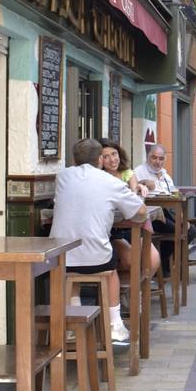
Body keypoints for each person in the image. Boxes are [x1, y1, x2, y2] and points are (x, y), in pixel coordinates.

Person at [51, 138, 148, 343]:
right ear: (100, 160)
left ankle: (73, 321)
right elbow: (140, 213)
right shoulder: (110, 182)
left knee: (71, 271)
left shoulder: (62, 177)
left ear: (74, 159)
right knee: (110, 270)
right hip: (96, 261)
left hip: (58, 258)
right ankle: (115, 325)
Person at [99, 138, 160, 279]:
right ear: (100, 160)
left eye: (114, 154)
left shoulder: (127, 173)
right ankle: (120, 290)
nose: (112, 160)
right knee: (129, 260)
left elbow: (134, 196)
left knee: (154, 258)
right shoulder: (99, 178)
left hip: (132, 228)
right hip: (112, 231)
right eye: (106, 156)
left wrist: (138, 187)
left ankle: (134, 293)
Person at [133, 143, 196, 273]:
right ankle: (162, 265)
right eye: (154, 158)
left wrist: (182, 219)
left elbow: (174, 196)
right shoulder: (138, 171)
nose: (157, 162)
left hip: (168, 213)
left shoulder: (165, 175)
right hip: (150, 217)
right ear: (148, 157)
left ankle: (163, 263)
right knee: (178, 231)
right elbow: (132, 189)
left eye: (161, 159)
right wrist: (143, 183)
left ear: (164, 159)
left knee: (190, 230)